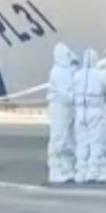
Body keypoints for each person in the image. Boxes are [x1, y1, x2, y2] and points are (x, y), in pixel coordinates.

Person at [73, 48, 106, 183]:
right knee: (96, 142)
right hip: (95, 110)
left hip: (80, 112)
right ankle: (93, 172)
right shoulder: (101, 76)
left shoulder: (76, 75)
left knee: (82, 142)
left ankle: (80, 172)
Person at [46, 43, 76, 184]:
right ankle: (55, 171)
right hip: (60, 106)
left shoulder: (66, 70)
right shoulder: (57, 71)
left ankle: (67, 168)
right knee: (58, 137)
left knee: (67, 138)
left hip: (67, 108)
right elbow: (66, 92)